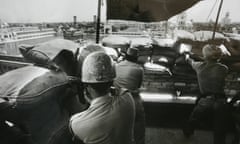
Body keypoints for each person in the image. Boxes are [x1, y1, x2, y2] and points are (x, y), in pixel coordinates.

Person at [69, 51, 135, 144]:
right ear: (111, 81)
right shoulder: (127, 99)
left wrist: (90, 99)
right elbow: (118, 90)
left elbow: (75, 120)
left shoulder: (78, 123)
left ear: (86, 88)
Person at [183, 44, 229, 144]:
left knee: (194, 118)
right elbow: (212, 61)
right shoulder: (224, 68)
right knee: (220, 127)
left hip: (205, 100)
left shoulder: (199, 66)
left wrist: (188, 55)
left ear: (205, 56)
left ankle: (188, 131)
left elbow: (190, 61)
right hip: (221, 101)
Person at [114, 47, 145, 144]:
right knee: (139, 123)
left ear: (126, 56)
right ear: (136, 58)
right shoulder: (139, 69)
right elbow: (138, 85)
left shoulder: (116, 66)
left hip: (118, 100)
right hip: (133, 100)